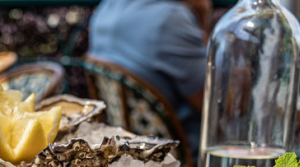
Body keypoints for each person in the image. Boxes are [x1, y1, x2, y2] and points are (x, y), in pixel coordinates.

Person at [88, 0, 210, 158]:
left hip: (123, 146)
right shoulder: (170, 19)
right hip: (176, 153)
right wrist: (203, 20)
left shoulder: (106, 9)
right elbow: (219, 107)